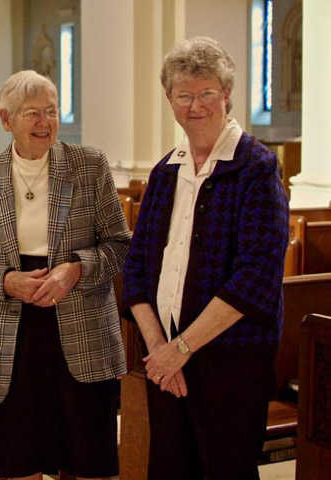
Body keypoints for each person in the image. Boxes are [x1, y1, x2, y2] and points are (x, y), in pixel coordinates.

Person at [122, 36, 289, 479]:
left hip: (230, 362)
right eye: (184, 95)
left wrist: (183, 347)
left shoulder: (255, 167)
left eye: (207, 93)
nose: (196, 105)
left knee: (224, 469)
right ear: (170, 100)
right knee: (170, 469)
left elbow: (256, 276)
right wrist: (159, 349)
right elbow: (136, 268)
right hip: (165, 360)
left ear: (227, 94)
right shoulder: (165, 172)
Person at [0, 70, 131, 480]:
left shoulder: (89, 165)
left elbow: (120, 245)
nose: (44, 122)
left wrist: (76, 269)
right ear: (6, 120)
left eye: (51, 112)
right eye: (32, 113)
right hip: (12, 336)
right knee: (19, 460)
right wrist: (5, 281)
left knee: (90, 460)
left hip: (83, 325)